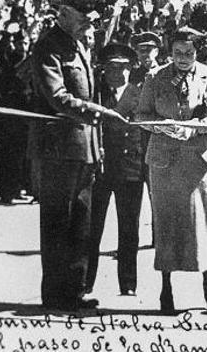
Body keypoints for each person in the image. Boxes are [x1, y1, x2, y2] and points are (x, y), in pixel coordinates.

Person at [27, 0, 126, 311]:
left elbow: (88, 92)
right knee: (58, 221)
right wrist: (99, 113)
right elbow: (57, 96)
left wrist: (97, 148)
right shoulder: (48, 47)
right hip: (58, 149)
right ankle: (55, 293)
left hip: (84, 149)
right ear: (64, 13)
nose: (89, 21)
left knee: (81, 222)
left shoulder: (79, 45)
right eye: (83, 16)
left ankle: (75, 288)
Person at [136, 27, 207, 313]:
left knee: (202, 224)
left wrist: (194, 127)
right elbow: (142, 115)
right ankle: (166, 290)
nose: (183, 58)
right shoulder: (155, 77)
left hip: (198, 161)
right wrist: (159, 126)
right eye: (177, 53)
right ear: (169, 51)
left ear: (198, 52)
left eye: (189, 53)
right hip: (164, 162)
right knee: (167, 225)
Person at [86, 44, 146, 297]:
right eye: (111, 67)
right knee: (92, 227)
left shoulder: (139, 94)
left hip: (130, 169)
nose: (117, 73)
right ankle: (86, 281)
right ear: (104, 70)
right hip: (101, 167)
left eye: (122, 67)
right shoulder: (95, 94)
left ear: (130, 69)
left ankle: (128, 283)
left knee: (129, 229)